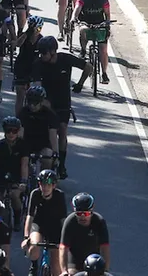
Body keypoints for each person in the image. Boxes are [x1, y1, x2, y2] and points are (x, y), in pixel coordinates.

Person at [31, 36, 91, 179]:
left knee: (62, 131)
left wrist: (80, 84)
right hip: (45, 103)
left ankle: (62, 165)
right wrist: (42, 101)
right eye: (40, 53)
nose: (42, 56)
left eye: (44, 53)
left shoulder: (65, 59)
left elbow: (88, 66)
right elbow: (37, 85)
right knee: (46, 131)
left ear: (53, 51)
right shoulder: (38, 64)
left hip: (63, 103)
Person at [0, 116, 29, 231]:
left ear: (18, 131)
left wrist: (23, 181)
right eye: (8, 130)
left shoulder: (23, 145)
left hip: (16, 175)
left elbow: (24, 164)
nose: (11, 133)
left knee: (14, 195)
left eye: (14, 131)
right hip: (0, 174)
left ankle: (18, 218)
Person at [21, 169, 67, 276]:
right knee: (34, 246)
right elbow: (30, 216)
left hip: (55, 227)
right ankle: (34, 265)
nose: (45, 188)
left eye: (48, 185)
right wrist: (26, 237)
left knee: (56, 267)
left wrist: (66, 239)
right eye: (42, 184)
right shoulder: (35, 194)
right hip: (39, 225)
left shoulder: (59, 196)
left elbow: (63, 220)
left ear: (54, 185)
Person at [72, 0, 112, 84]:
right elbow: (76, 10)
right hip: (86, 23)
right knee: (83, 30)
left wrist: (108, 24)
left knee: (103, 50)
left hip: (100, 24)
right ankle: (83, 50)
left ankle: (104, 73)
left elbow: (107, 14)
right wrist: (74, 19)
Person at [60, 193, 110, 275]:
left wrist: (106, 270)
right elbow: (63, 248)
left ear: (91, 211)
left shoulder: (99, 221)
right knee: (71, 273)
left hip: (94, 260)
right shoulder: (70, 222)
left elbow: (105, 247)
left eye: (86, 214)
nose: (83, 217)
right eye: (79, 214)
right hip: (75, 261)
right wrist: (64, 270)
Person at [17, 86, 60, 173]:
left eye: (35, 102)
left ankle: (43, 179)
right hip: (27, 143)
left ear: (41, 102)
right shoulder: (23, 113)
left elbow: (53, 135)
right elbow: (20, 133)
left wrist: (55, 153)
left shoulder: (49, 114)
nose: (32, 105)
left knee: (48, 157)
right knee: (22, 161)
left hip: (43, 144)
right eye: (30, 102)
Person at [13, 15, 44, 115]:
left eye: (39, 28)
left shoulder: (42, 40)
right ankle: (18, 118)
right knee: (20, 95)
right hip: (21, 66)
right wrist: (27, 33)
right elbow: (17, 44)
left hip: (35, 68)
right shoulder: (24, 36)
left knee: (38, 93)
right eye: (35, 28)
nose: (37, 31)